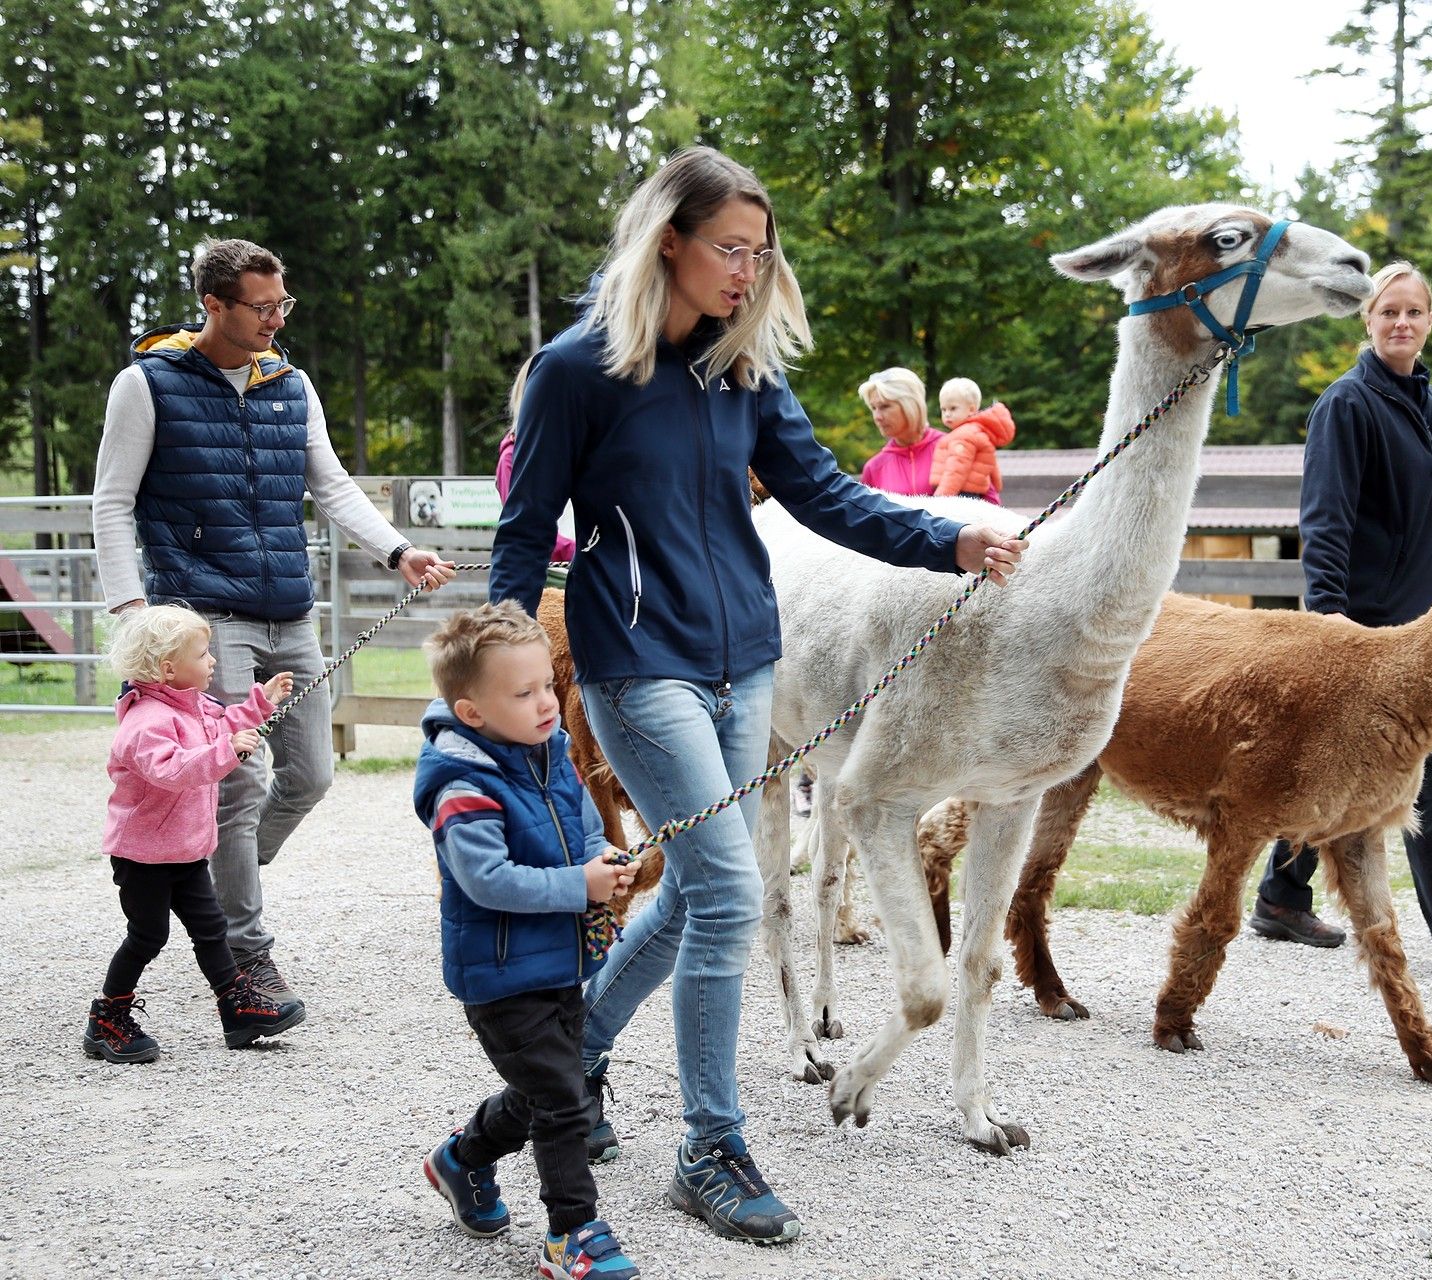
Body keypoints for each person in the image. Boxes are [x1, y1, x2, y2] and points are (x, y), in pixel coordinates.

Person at [490, 146, 1024, 1244]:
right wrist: (499, 673)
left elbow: (826, 494)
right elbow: (519, 527)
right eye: (730, 248)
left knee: (693, 895)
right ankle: (710, 1142)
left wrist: (950, 536)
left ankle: (568, 1067)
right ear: (668, 241)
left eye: (761, 251)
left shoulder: (744, 370)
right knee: (735, 889)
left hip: (746, 665)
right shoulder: (574, 370)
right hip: (638, 665)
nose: (749, 270)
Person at [90, 238, 457, 1009]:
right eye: (261, 307)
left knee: (310, 777)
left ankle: (207, 896)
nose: (275, 319)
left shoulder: (292, 384)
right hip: (202, 614)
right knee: (236, 777)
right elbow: (112, 502)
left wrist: (399, 551)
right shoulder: (146, 384)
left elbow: (332, 485)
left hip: (288, 608)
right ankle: (245, 956)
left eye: (281, 304)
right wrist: (135, 614)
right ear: (213, 305)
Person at [1246, 261, 1432, 985]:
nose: (1402, 323)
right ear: (1368, 321)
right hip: (1364, 628)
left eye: (1414, 312)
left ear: (1430, 321)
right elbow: (1326, 522)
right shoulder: (1347, 405)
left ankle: (1282, 896)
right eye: (1389, 312)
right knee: (1429, 765)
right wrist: (1328, 625)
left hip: (1425, 627)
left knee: (1335, 766)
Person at [414, 602, 642, 1280]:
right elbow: (487, 881)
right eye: (525, 693)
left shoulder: (549, 750)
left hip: (560, 962)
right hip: (502, 974)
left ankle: (462, 1158)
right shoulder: (462, 783)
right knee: (566, 1099)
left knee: (550, 1087)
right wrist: (581, 886)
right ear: (473, 711)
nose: (548, 701)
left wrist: (606, 858)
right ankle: (572, 1233)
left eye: (547, 683)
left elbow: (582, 827)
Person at [83, 605, 308, 1063]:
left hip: (185, 851)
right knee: (147, 937)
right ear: (168, 669)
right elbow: (174, 770)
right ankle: (107, 1018)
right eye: (203, 655)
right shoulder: (144, 723)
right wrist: (226, 751)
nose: (213, 662)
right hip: (143, 855)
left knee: (211, 930)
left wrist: (257, 705)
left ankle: (239, 1009)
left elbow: (220, 727)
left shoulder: (193, 704)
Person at [496, 359, 576, 563]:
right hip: (548, 570)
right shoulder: (512, 459)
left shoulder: (573, 448)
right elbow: (527, 527)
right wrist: (578, 552)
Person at [856, 366, 943, 495]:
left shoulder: (953, 448)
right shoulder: (874, 468)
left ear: (910, 404)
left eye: (884, 406)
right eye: (873, 408)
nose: (877, 417)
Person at [931, 376, 1016, 502]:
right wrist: (996, 486)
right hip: (972, 495)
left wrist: (940, 499)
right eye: (943, 409)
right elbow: (990, 463)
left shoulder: (963, 435)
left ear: (971, 409)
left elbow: (956, 469)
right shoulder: (978, 431)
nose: (947, 413)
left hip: (959, 495)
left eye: (953, 408)